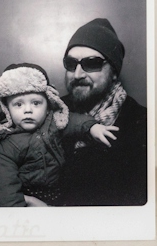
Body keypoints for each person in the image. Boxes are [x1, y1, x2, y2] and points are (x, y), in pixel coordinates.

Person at [0, 63, 117, 207]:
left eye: (36, 103)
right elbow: (6, 191)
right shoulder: (3, 147)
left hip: (60, 193)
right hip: (29, 199)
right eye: (18, 104)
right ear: (7, 110)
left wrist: (92, 127)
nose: (28, 110)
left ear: (48, 105)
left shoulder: (54, 121)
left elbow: (74, 121)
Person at [59, 18, 148, 206]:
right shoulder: (52, 111)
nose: (78, 74)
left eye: (92, 63)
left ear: (114, 72)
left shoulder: (141, 122)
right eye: (71, 63)